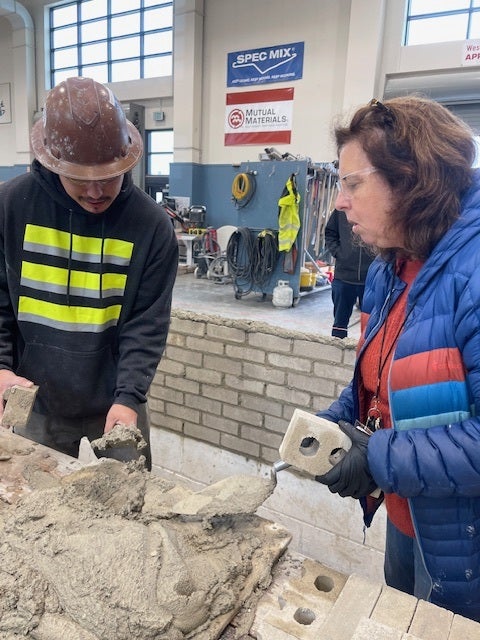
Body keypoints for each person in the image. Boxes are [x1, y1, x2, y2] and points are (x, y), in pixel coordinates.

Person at [314, 95, 480, 622]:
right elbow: (381, 377)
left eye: (352, 183)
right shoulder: (390, 266)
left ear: (410, 180)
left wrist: (378, 459)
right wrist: (338, 423)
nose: (341, 202)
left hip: (463, 541)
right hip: (408, 512)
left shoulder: (473, 277)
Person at [0, 76, 179, 470]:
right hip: (35, 401)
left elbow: (146, 325)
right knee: (35, 507)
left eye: (109, 178)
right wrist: (1, 368)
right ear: (52, 163)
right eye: (81, 180)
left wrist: (130, 397)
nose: (96, 193)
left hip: (117, 402)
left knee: (132, 510)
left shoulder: (150, 227)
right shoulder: (11, 208)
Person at [325, 208, 374, 338]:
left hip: (371, 279)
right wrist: (339, 253)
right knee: (339, 326)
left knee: (372, 327)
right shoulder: (342, 209)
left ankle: (366, 357)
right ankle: (335, 355)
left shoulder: (377, 205)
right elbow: (330, 232)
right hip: (344, 278)